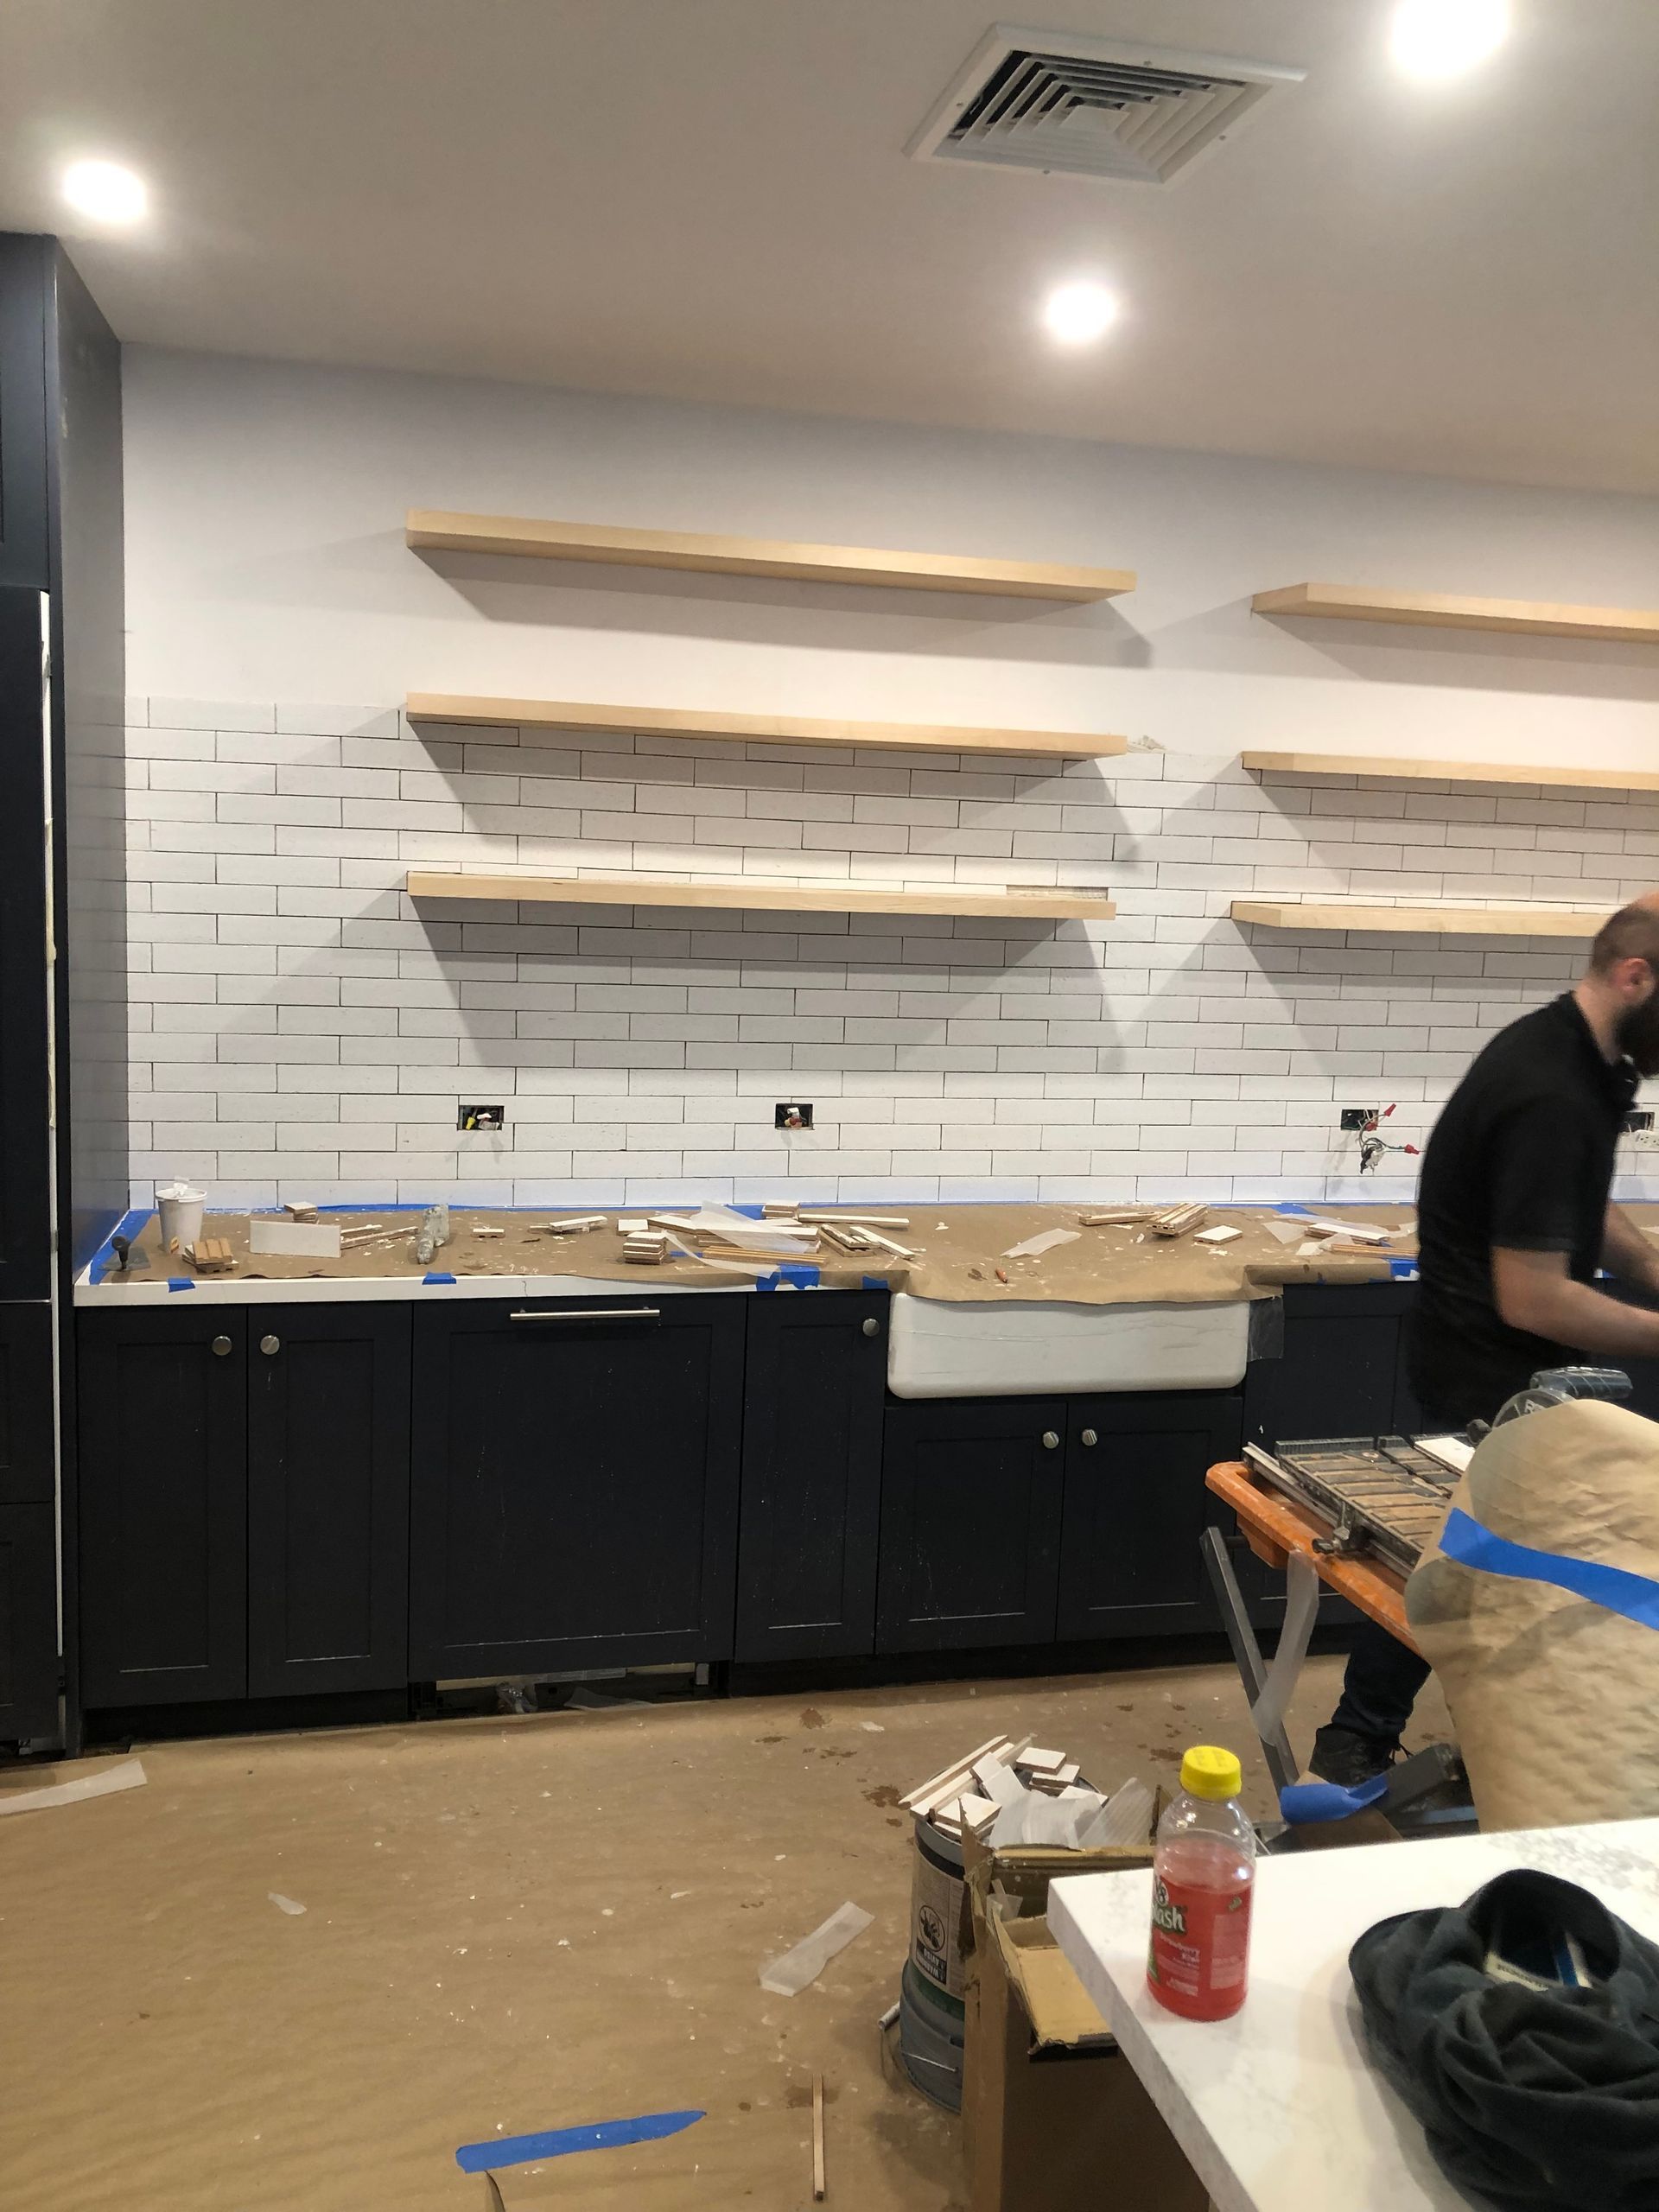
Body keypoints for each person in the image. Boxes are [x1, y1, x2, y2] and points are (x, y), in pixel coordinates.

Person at [1311, 896, 1659, 1787]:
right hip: (1495, 1374)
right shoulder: (1553, 1091)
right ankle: (1359, 1741)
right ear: (1636, 976)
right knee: (1467, 1565)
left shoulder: (1582, 1059)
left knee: (1490, 1563)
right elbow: (1536, 1294)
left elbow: (1583, 1209)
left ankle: (1498, 1733)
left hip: (1501, 1362)